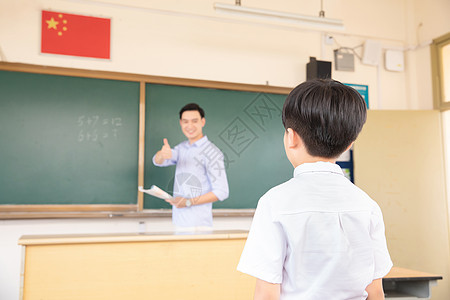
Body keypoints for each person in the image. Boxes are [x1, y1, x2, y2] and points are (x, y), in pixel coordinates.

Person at [237, 79, 392, 300]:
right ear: (350, 144)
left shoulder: (274, 203)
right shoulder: (367, 205)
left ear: (291, 137)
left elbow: (267, 294)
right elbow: (375, 292)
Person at [153, 103, 229, 230]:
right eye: (185, 121)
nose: (190, 126)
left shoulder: (212, 152)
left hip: (198, 225)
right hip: (178, 222)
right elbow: (157, 161)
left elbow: (222, 192)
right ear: (180, 123)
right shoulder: (182, 148)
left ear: (202, 122)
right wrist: (161, 154)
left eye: (194, 121)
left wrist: (188, 202)